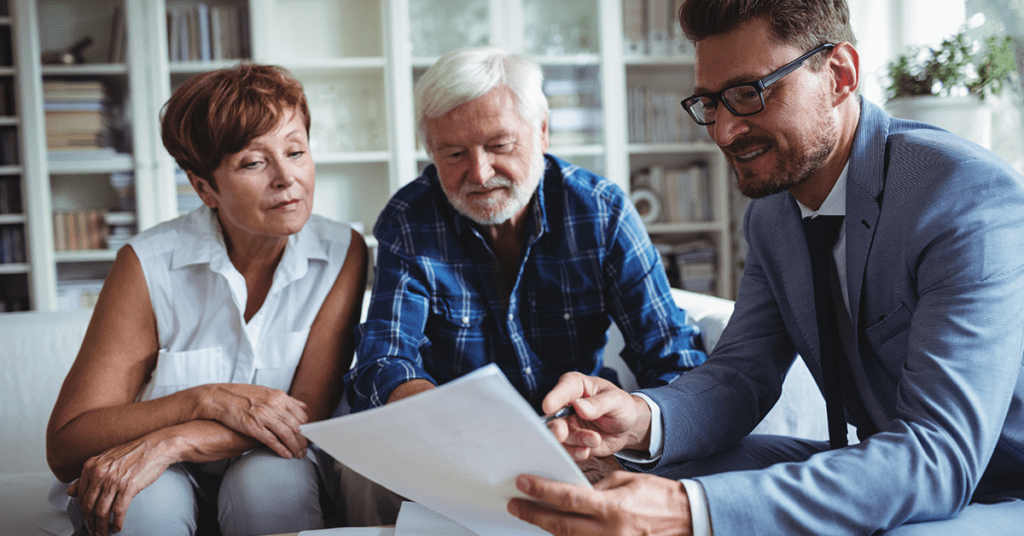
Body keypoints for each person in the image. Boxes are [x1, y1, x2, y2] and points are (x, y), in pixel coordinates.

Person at [507, 1, 1024, 535]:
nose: (725, 132)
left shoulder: (962, 196)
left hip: (997, 479)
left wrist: (687, 511)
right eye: (710, 102)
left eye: (750, 93)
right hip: (883, 460)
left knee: (689, 506)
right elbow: (740, 376)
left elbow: (940, 457)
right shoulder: (772, 216)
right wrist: (639, 420)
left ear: (840, 74)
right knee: (617, 482)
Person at [45, 64, 368, 536]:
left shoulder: (343, 252)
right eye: (254, 163)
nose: (286, 178)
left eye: (296, 152)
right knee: (144, 505)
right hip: (156, 475)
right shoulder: (147, 264)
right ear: (204, 188)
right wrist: (205, 400)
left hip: (269, 459)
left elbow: (304, 416)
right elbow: (67, 445)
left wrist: (175, 440)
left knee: (268, 482)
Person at [347, 46, 706, 415]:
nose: (480, 173)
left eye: (499, 145)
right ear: (431, 152)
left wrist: (631, 428)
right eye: (454, 154)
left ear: (542, 132)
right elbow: (385, 358)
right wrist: (431, 409)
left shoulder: (602, 212)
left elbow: (672, 356)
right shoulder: (409, 220)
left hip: (579, 428)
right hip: (458, 433)